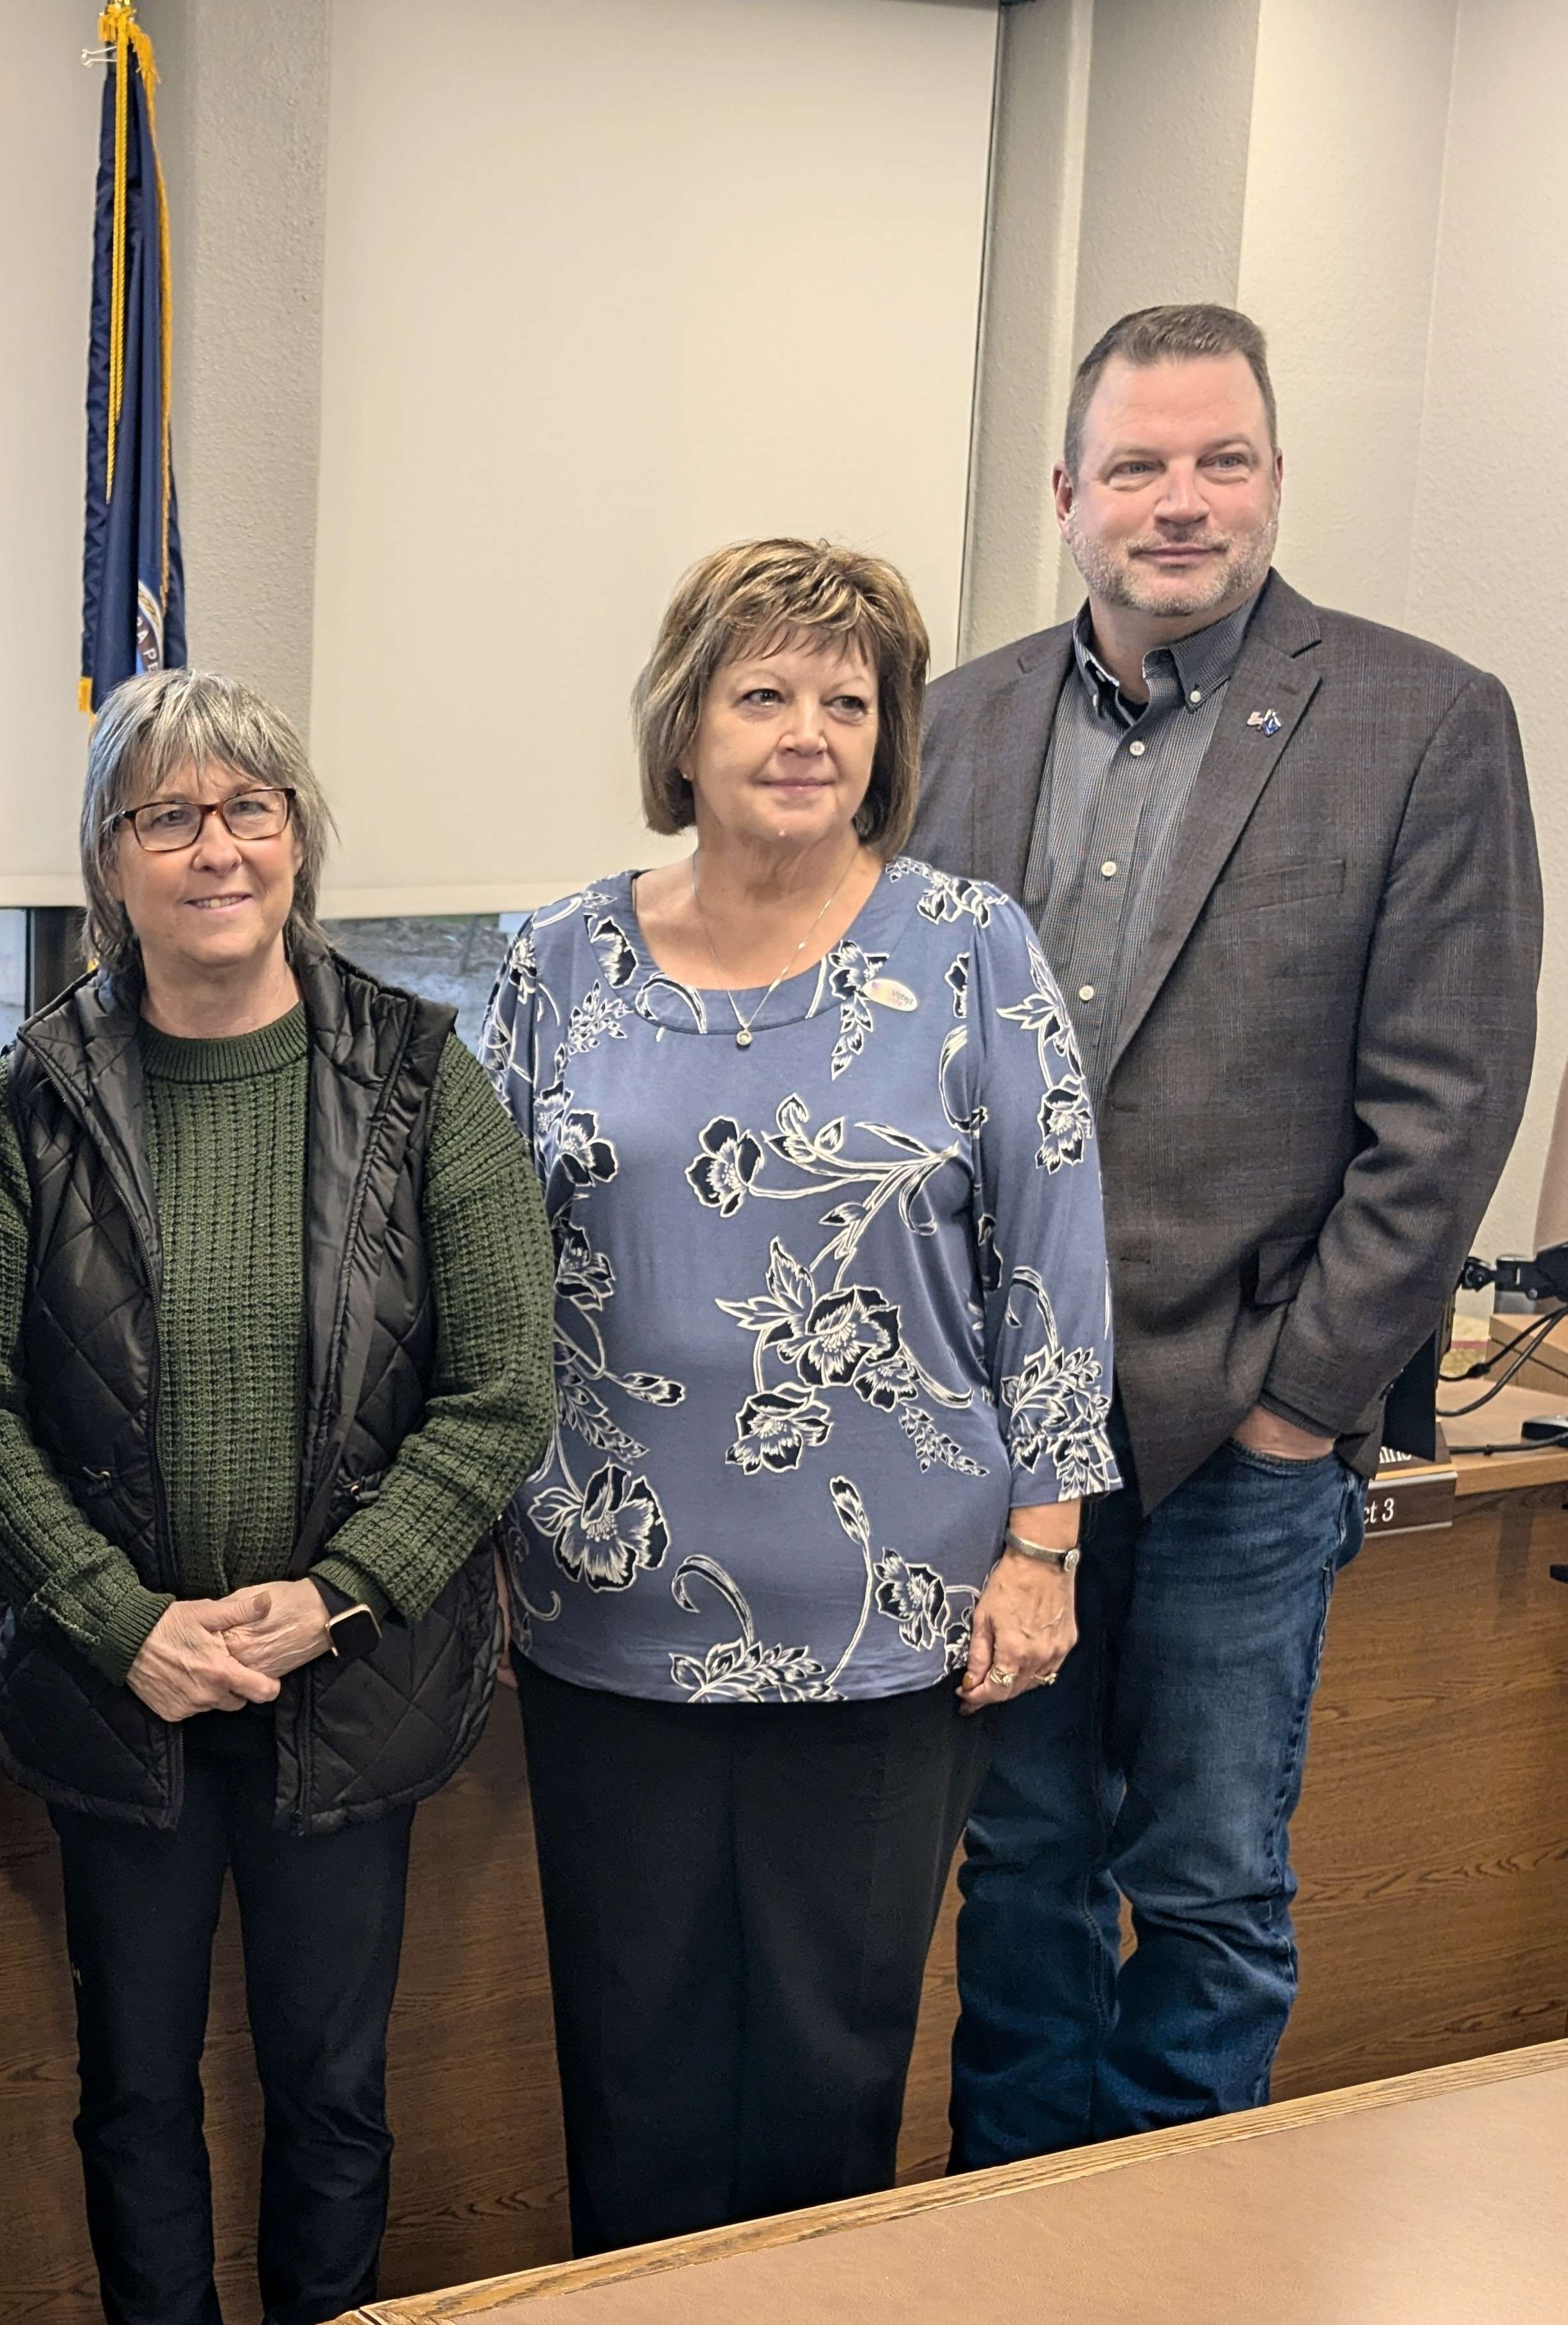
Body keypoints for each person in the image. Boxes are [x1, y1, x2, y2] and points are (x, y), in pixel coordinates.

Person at [914, 304, 1544, 2166]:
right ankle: (1017, 2254)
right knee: (1017, 1877)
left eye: (1222, 461)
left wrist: (1301, 1407)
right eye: (1138, 465)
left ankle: (1180, 2265)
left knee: (1203, 1889)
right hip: (1001, 1439)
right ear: (1065, 494)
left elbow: (1444, 1112)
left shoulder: (1423, 721)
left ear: (1273, 477)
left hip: (1246, 1436)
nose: (1179, 503)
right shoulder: (960, 721)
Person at [481, 538, 1118, 2253]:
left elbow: (1054, 1259)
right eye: (763, 691)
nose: (808, 731)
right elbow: (484, 1281)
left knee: (833, 2076)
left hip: (888, 1620)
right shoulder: (558, 963)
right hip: (605, 1615)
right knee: (634, 2069)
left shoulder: (973, 949)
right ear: (683, 726)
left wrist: (1045, 1547)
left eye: (850, 699)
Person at [0, 671, 555, 2325]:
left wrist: (340, 1596)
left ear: (300, 840)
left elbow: (502, 1390)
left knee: (332, 2090)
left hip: (347, 1684)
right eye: (168, 817)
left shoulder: (425, 1080)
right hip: (119, 1692)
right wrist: (116, 1619)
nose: (215, 848)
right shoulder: (24, 1102)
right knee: (135, 2099)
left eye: (251, 809)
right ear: (111, 861)